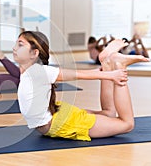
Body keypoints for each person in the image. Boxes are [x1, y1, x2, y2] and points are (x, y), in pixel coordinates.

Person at [14, 31, 149, 141]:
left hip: (61, 121)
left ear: (34, 53)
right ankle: (107, 62)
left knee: (127, 124)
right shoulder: (30, 71)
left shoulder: (37, 71)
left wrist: (113, 74)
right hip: (58, 115)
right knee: (109, 113)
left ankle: (119, 64)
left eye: (20, 45)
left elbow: (77, 74)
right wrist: (107, 73)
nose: (14, 48)